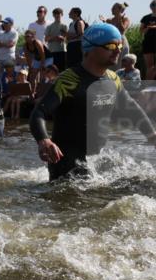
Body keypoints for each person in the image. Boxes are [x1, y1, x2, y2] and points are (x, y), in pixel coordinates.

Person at [30, 22, 156, 181]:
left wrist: (151, 135)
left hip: (96, 160)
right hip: (66, 162)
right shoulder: (68, 80)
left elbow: (131, 109)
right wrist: (44, 140)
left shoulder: (113, 78)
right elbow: (39, 112)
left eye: (119, 45)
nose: (118, 50)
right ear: (90, 49)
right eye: (111, 45)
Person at [45, 7, 68, 72]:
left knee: (62, 69)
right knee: (53, 70)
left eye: (58, 13)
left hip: (62, 50)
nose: (57, 15)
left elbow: (66, 38)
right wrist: (55, 37)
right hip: (52, 51)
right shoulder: (49, 26)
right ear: (53, 15)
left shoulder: (64, 26)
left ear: (62, 14)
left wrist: (62, 38)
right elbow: (46, 39)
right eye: (55, 14)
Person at [140, 0, 156, 80]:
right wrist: (146, 29)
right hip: (148, 42)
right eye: (152, 5)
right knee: (150, 66)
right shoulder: (146, 18)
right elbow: (141, 30)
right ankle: (148, 85)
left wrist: (153, 27)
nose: (153, 7)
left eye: (154, 5)